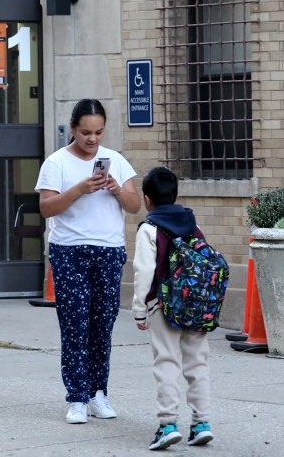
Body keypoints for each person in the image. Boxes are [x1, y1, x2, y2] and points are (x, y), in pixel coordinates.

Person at [35, 98, 141, 424]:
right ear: (72, 129)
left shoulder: (116, 161)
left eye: (98, 132)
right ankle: (77, 398)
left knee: (102, 325)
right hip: (69, 250)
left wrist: (116, 190)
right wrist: (79, 189)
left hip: (108, 250)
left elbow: (135, 205)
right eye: (85, 132)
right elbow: (47, 208)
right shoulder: (57, 163)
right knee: (75, 324)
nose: (92, 139)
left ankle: (99, 394)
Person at [132, 166, 214, 450]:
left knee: (167, 363)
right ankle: (201, 423)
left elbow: (144, 273)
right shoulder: (194, 224)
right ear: (176, 195)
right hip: (196, 307)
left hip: (163, 307)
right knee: (197, 364)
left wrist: (139, 310)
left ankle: (167, 425)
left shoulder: (149, 229)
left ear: (147, 199)